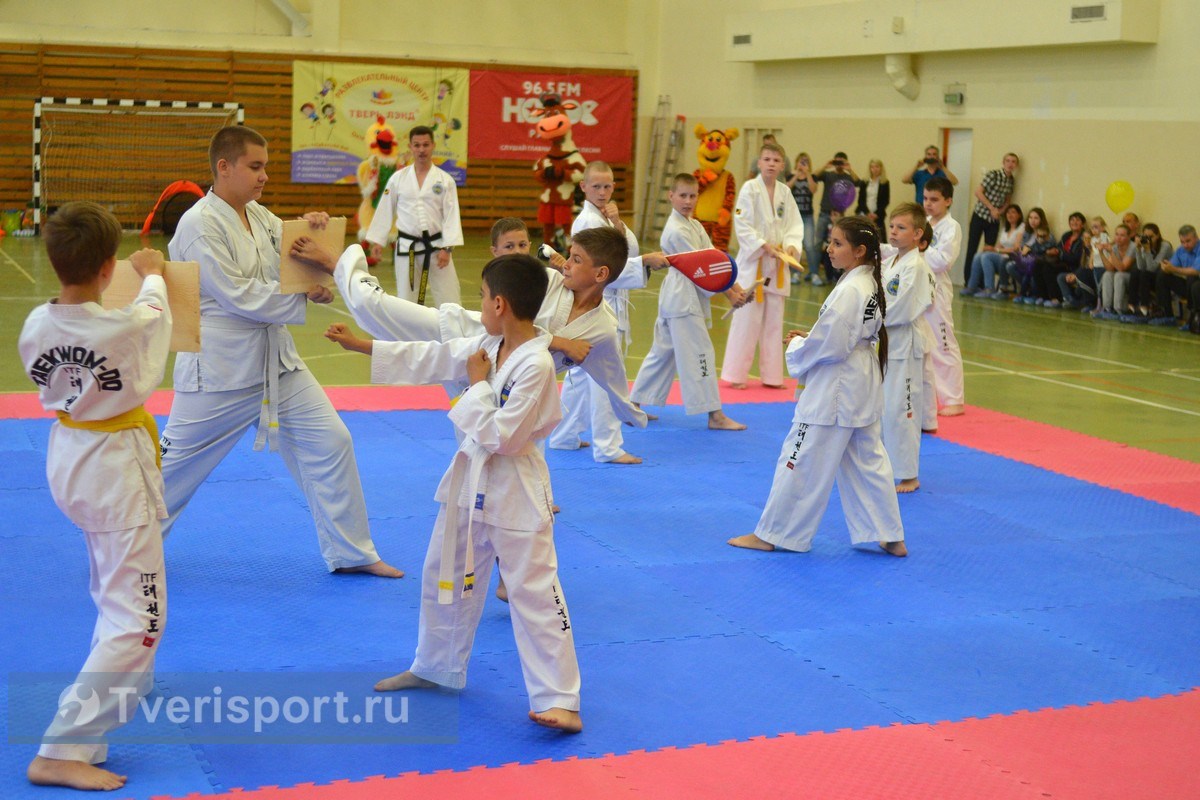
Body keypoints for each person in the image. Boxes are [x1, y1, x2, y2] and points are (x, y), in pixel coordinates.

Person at [325, 254, 583, 733]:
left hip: (516, 492)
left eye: (482, 298)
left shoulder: (537, 365)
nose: (479, 305)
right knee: (444, 575)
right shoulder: (491, 342)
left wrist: (479, 385)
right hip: (470, 485)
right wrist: (360, 346)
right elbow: (431, 356)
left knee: (534, 593)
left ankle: (560, 699)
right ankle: (435, 666)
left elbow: (504, 436)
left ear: (500, 303)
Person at [159, 126, 401, 578]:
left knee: (332, 442)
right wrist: (301, 296)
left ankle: (352, 553)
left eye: (265, 167)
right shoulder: (198, 225)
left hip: (276, 363)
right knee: (169, 473)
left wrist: (315, 239)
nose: (264, 176)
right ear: (224, 167)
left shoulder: (260, 215)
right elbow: (234, 292)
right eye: (255, 167)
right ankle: (123, 548)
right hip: (220, 370)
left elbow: (289, 263)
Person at [18, 203, 172, 791]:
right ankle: (60, 749)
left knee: (116, 598)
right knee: (143, 620)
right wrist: (153, 270)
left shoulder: (36, 324)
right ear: (110, 267)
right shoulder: (123, 327)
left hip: (70, 459)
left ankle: (89, 734)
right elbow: (151, 315)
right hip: (113, 474)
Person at [727, 215, 906, 557]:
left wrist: (798, 347)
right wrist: (812, 337)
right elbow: (842, 336)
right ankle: (890, 534)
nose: (829, 249)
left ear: (860, 251)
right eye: (831, 241)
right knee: (868, 461)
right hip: (861, 383)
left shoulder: (852, 289)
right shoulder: (866, 282)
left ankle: (773, 534)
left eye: (838, 244)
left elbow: (833, 345)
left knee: (799, 456)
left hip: (836, 388)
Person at [548, 162, 666, 464]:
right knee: (607, 379)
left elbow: (621, 252)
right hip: (595, 303)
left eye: (608, 186)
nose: (603, 192)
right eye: (597, 186)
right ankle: (608, 447)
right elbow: (603, 268)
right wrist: (644, 264)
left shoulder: (607, 216)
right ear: (584, 188)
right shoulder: (585, 221)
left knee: (580, 376)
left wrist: (618, 225)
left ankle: (564, 436)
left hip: (604, 301)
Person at [631, 174, 749, 430]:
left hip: (678, 299)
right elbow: (702, 267)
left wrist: (736, 288)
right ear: (670, 196)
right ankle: (715, 415)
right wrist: (730, 294)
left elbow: (716, 258)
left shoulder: (694, 225)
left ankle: (634, 405)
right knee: (701, 353)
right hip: (683, 300)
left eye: (692, 195)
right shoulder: (676, 230)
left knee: (663, 352)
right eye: (682, 195)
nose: (687, 201)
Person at [721, 141, 805, 390]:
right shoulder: (749, 189)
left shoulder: (785, 193)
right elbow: (742, 223)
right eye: (767, 159)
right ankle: (736, 375)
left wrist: (791, 247)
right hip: (755, 263)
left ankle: (772, 377)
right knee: (747, 321)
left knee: (774, 322)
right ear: (759, 163)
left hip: (777, 266)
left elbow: (794, 225)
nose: (771, 164)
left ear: (782, 166)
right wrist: (764, 246)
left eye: (776, 160)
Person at [364, 125, 464, 308]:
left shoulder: (444, 180)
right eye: (417, 145)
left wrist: (447, 248)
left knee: (449, 297)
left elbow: (451, 215)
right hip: (406, 247)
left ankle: (455, 334)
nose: (421, 150)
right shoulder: (398, 178)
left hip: (437, 246)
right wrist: (378, 242)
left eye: (426, 145)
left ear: (433, 146)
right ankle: (408, 336)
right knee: (406, 299)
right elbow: (385, 209)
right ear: (410, 147)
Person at [879, 203, 934, 493]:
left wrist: (875, 320)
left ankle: (909, 474)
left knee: (903, 409)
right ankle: (885, 464)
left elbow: (904, 308)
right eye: (892, 226)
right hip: (886, 342)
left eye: (901, 228)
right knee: (884, 407)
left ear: (917, 234)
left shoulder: (917, 266)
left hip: (905, 344)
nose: (894, 232)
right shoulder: (891, 262)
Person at [920, 177, 965, 416]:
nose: (928, 204)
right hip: (918, 288)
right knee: (922, 344)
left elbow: (943, 261)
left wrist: (918, 249)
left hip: (937, 290)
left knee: (943, 343)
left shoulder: (951, 227)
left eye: (934, 200)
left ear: (948, 201)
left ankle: (954, 399)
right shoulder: (924, 223)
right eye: (926, 198)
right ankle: (928, 396)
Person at [962, 153, 1018, 285]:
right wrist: (992, 208)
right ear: (1003, 162)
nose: (1010, 164)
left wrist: (1001, 211)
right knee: (972, 248)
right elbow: (978, 192)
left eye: (1013, 162)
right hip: (980, 215)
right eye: (1008, 161)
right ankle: (968, 281)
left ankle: (982, 282)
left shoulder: (1011, 181)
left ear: (1016, 165)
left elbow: (1007, 200)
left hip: (994, 219)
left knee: (988, 250)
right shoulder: (994, 175)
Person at [814, 152, 860, 283]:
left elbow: (859, 183)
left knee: (839, 244)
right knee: (818, 244)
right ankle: (815, 273)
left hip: (840, 215)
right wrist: (826, 165)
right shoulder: (828, 174)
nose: (839, 165)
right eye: (837, 162)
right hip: (824, 213)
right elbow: (815, 176)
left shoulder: (847, 176)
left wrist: (849, 169)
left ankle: (837, 273)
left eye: (842, 162)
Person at [963, 204, 1024, 298]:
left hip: (1011, 259)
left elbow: (1015, 249)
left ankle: (989, 288)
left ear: (1019, 215)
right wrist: (990, 249)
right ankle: (972, 286)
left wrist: (996, 250)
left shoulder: (1021, 227)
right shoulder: (1005, 229)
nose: (1010, 215)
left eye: (1013, 212)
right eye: (1008, 212)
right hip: (1001, 258)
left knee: (986, 256)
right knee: (978, 255)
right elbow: (998, 246)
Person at [1150, 224, 1200, 329]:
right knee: (1162, 275)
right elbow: (1171, 266)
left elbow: (1196, 271)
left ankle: (1192, 318)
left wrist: (1174, 269)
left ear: (1196, 238)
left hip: (1197, 286)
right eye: (1182, 242)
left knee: (1192, 278)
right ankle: (1167, 315)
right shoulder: (1180, 250)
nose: (1185, 245)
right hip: (1188, 286)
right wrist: (1165, 267)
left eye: (1188, 241)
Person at [1121, 223, 1173, 322]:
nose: (1148, 239)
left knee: (1144, 273)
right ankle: (1131, 306)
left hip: (1163, 278)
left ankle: (1144, 308)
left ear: (1157, 235)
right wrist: (1138, 249)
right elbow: (1141, 266)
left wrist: (1147, 250)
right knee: (1135, 270)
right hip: (1149, 277)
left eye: (1151, 237)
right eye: (1146, 236)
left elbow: (1152, 268)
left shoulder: (1165, 246)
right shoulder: (1144, 244)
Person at [1033, 211, 1085, 307]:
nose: (1074, 222)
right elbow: (1058, 247)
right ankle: (1042, 296)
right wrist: (1052, 251)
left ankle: (1055, 299)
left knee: (1048, 268)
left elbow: (1077, 258)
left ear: (1083, 224)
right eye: (1072, 220)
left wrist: (1060, 253)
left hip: (1072, 267)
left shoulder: (1084, 238)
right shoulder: (1067, 235)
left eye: (1077, 220)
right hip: (1061, 263)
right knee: (1038, 264)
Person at [786, 151, 820, 281]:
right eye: (801, 161)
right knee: (795, 245)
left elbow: (813, 189)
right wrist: (797, 174)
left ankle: (814, 273)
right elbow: (788, 188)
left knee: (809, 245)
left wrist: (807, 173)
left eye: (806, 161)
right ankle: (795, 273)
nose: (803, 163)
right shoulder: (791, 176)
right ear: (797, 162)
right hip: (794, 218)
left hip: (807, 217)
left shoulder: (812, 177)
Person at [1095, 224, 1136, 319]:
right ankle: (1107, 308)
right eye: (1117, 234)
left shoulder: (1133, 247)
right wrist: (1101, 252)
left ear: (1129, 236)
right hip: (1120, 274)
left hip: (1134, 277)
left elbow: (1122, 268)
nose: (1118, 238)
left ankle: (1119, 308)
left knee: (1119, 275)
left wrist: (1111, 252)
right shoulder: (1114, 247)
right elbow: (1109, 268)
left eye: (1122, 235)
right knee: (1107, 274)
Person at [855, 158, 891, 233]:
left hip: (878, 215)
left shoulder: (885, 183)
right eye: (872, 167)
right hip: (863, 213)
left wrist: (876, 214)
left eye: (877, 167)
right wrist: (867, 213)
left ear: (881, 168)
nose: (875, 169)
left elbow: (885, 201)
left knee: (879, 236)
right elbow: (861, 200)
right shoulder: (864, 182)